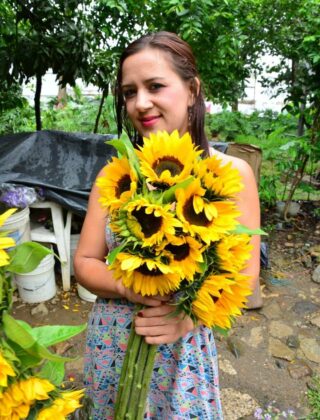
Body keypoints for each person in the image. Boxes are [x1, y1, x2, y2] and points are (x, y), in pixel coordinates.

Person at [74, 31, 261, 419]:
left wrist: (186, 317)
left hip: (182, 348)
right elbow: (86, 262)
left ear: (192, 90)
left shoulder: (231, 176)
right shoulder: (115, 175)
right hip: (114, 342)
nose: (140, 103)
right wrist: (135, 286)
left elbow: (244, 277)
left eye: (155, 86)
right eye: (129, 92)